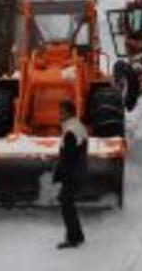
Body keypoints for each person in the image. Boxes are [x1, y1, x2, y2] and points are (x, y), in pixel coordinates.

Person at [53, 101, 88, 249]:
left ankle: (73, 238)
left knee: (66, 202)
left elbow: (67, 157)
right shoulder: (77, 127)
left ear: (69, 113)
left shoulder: (70, 132)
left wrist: (58, 174)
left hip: (72, 174)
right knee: (68, 202)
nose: (59, 115)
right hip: (77, 172)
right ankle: (77, 235)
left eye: (61, 112)